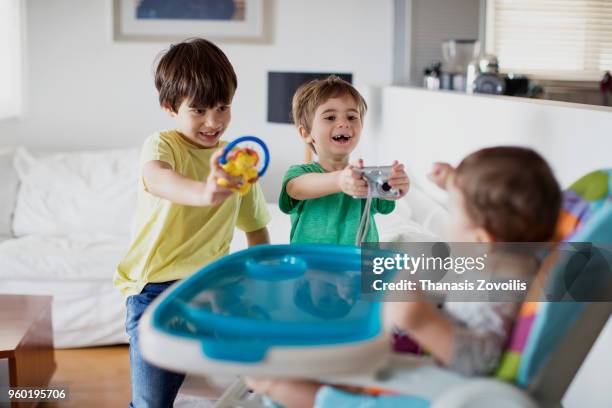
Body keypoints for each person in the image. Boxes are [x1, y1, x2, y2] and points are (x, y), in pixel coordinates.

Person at [248, 146, 561, 407]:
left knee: (292, 386)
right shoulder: (513, 259)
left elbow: (480, 361)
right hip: (437, 374)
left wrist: (419, 319)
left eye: (455, 211)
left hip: (452, 392)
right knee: (338, 365)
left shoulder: (495, 284)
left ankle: (272, 383)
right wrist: (454, 181)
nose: (451, 221)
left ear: (481, 240)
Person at [113, 38, 270, 408]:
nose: (213, 121)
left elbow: (255, 227)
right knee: (152, 401)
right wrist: (206, 191)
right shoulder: (161, 145)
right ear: (170, 107)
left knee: (262, 369)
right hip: (154, 288)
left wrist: (260, 285)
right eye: (198, 110)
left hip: (213, 286)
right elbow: (158, 179)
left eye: (222, 107)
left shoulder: (237, 159)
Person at [279, 75, 410, 245]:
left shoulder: (366, 177)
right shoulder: (299, 174)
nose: (343, 123)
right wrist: (340, 180)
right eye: (330, 117)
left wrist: (396, 184)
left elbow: (386, 200)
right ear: (306, 133)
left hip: (358, 265)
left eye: (351, 117)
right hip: (311, 266)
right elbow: (296, 189)